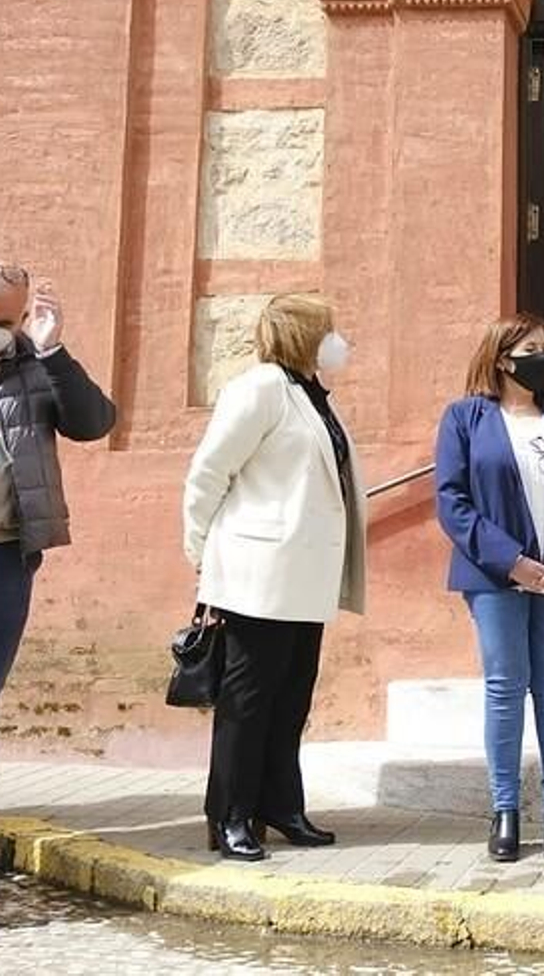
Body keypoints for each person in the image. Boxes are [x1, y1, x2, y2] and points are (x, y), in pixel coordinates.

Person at [0, 259, 116, 902]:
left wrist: (55, 351)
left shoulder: (36, 365)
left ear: (21, 319)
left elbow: (95, 422)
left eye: (1, 321)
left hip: (0, 559)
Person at [183, 294, 367, 863]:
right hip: (256, 573)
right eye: (329, 331)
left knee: (290, 698)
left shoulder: (309, 395)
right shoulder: (260, 388)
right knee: (248, 700)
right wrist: (203, 557)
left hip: (303, 577)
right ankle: (230, 815)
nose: (340, 341)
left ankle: (281, 807)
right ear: (303, 335)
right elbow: (208, 473)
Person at [435, 313, 544, 863]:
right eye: (533, 347)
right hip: (494, 577)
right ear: (503, 358)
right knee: (505, 688)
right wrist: (511, 561)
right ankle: (504, 809)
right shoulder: (465, 418)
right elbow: (452, 501)